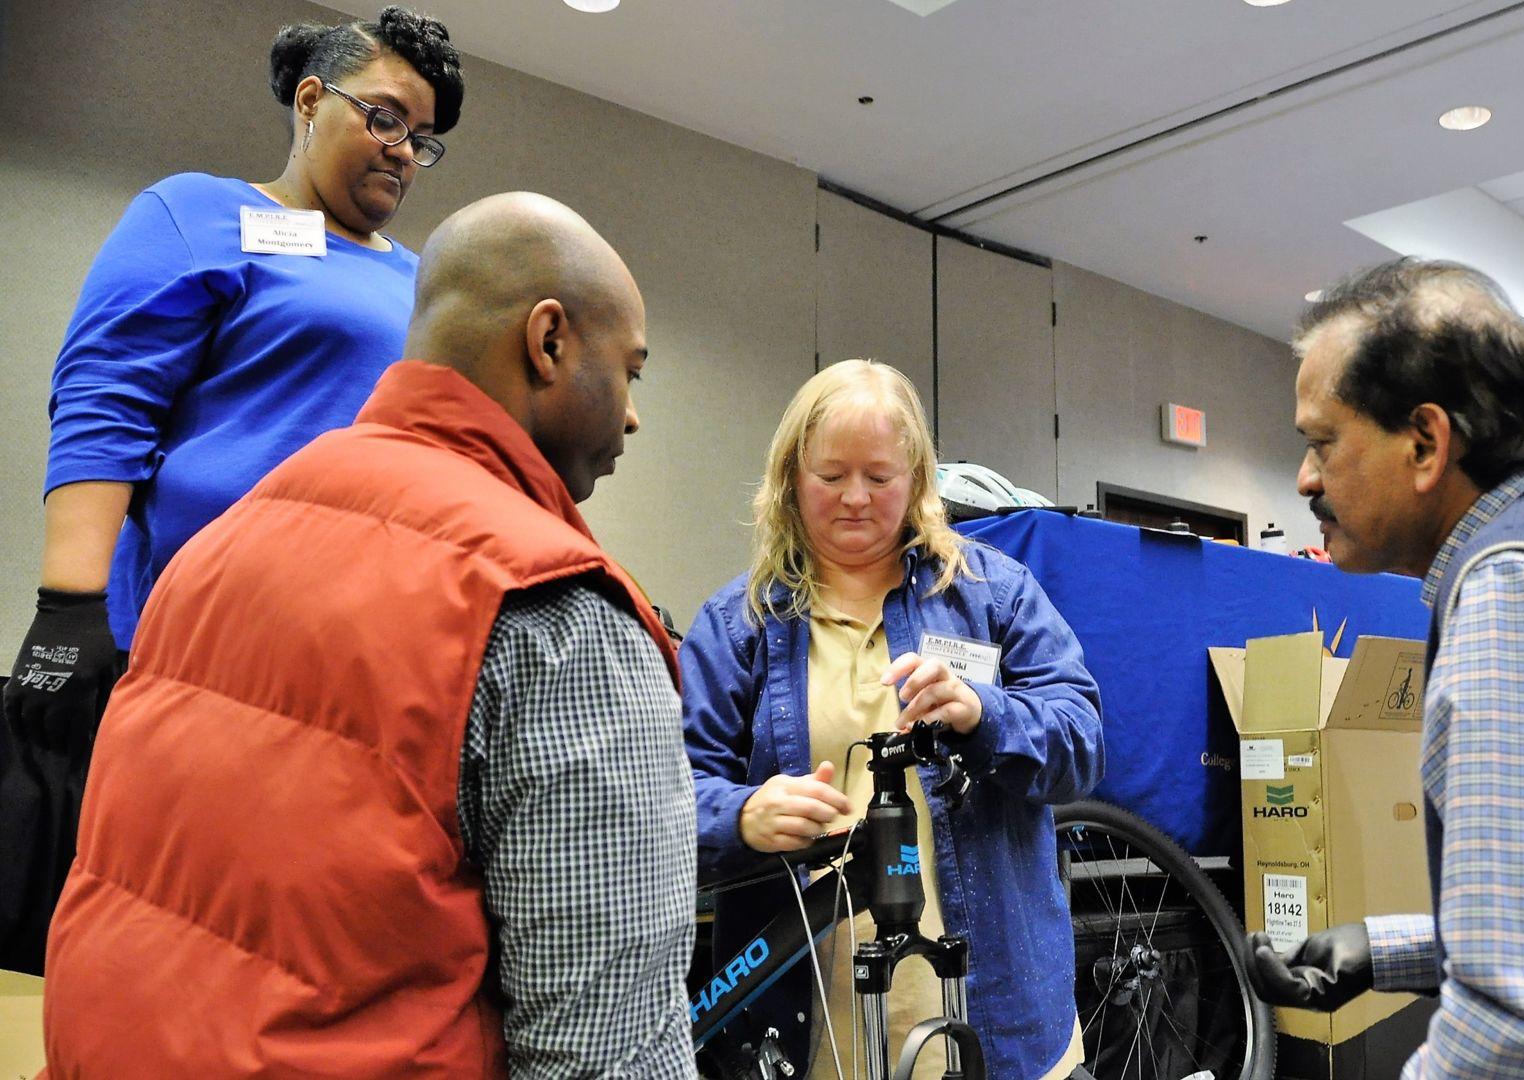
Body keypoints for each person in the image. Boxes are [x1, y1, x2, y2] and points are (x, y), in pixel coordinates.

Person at [40, 193, 698, 1079]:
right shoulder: (555, 616)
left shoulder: (209, 554)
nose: (630, 416)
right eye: (632, 373)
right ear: (549, 343)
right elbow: (606, 1057)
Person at [5, 6, 464, 753]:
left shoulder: (426, 284)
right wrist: (68, 606)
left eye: (422, 137)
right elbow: (106, 398)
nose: (405, 151)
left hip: (348, 664)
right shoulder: (201, 211)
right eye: (386, 118)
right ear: (311, 101)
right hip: (183, 646)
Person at [1249, 258, 1524, 1078]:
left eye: (1322, 441)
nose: (1306, 477)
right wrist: (1387, 952)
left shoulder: (1514, 589)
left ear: (1426, 442)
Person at [682, 359, 1105, 1079]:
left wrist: (986, 715)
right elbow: (668, 796)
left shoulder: (992, 594)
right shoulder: (738, 626)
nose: (855, 499)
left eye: (879, 478)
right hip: (811, 1032)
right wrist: (743, 816)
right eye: (831, 475)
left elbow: (1082, 743)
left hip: (996, 1020)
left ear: (916, 480)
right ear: (790, 477)